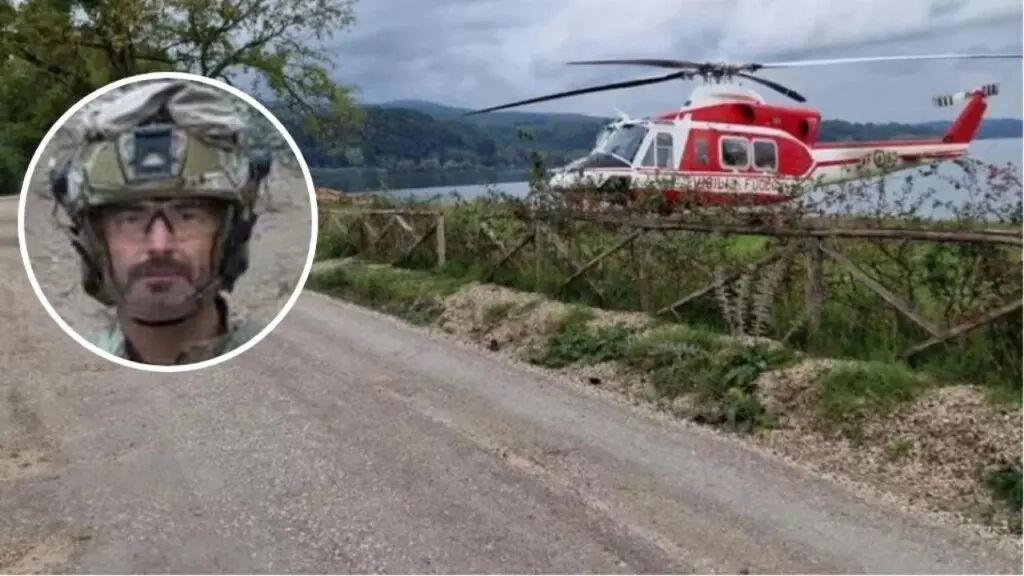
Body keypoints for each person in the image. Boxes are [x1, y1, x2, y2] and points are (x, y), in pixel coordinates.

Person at [47, 79, 272, 366]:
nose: (159, 246)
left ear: (231, 237)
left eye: (188, 216)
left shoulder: (279, 361)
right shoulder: (72, 370)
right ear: (93, 243)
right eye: (130, 219)